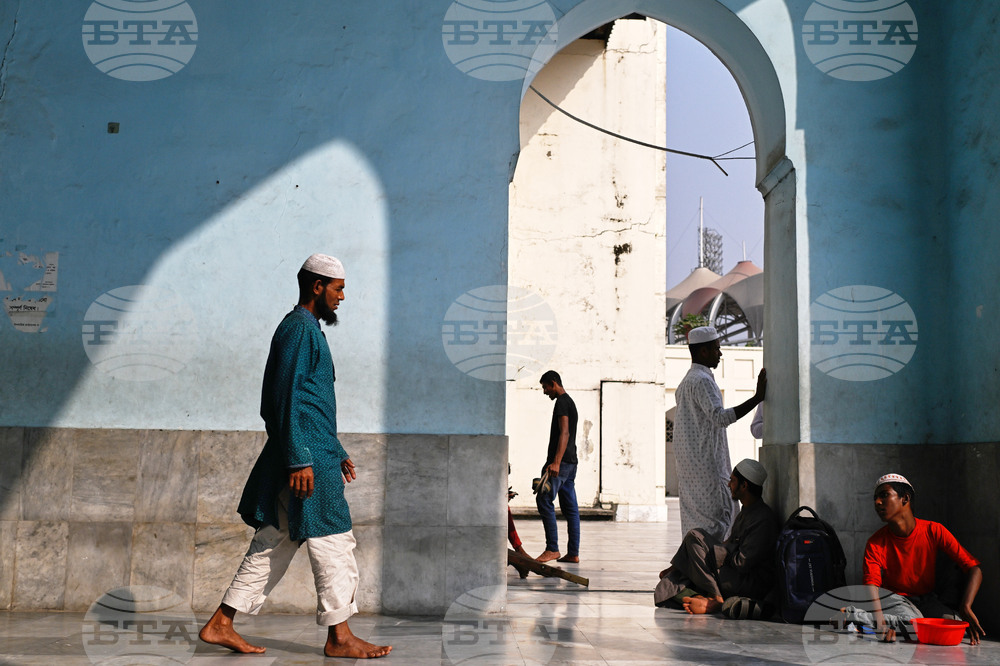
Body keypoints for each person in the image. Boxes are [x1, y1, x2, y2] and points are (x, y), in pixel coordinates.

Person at [199, 254, 391, 659]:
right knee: (334, 541)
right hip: (306, 462)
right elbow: (280, 400)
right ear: (317, 286)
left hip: (315, 454)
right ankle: (340, 637)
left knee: (274, 541)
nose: (343, 296)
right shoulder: (299, 330)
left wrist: (335, 450)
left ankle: (221, 623)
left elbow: (310, 405)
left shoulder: (309, 331)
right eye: (338, 288)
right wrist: (300, 459)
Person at [840, 473, 985, 645]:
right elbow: (871, 585)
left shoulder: (934, 530)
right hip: (893, 598)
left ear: (905, 498)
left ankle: (867, 622)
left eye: (884, 495)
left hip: (926, 599)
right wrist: (880, 624)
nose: (877, 502)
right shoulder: (876, 542)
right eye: (875, 498)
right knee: (914, 624)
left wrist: (965, 606)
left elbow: (974, 568)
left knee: (957, 625)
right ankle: (852, 615)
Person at [673, 326, 766, 541]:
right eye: (716, 349)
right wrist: (757, 398)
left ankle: (693, 566)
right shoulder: (702, 381)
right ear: (703, 351)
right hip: (709, 471)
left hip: (692, 472)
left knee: (696, 527)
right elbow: (720, 418)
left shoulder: (686, 382)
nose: (720, 354)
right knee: (719, 525)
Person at [654, 458, 779, 617]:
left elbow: (741, 563)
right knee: (669, 583)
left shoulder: (763, 519)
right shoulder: (746, 511)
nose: (729, 485)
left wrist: (719, 554)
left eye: (732, 481)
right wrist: (720, 551)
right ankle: (701, 598)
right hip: (732, 574)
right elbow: (731, 544)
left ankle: (717, 600)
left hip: (748, 583)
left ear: (744, 485)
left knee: (695, 538)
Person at [535, 370, 581, 564]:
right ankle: (573, 553)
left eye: (545, 387)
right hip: (571, 463)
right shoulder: (570, 402)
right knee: (571, 510)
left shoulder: (562, 402)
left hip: (561, 464)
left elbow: (564, 434)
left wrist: (555, 462)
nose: (545, 392)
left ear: (553, 383)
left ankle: (552, 548)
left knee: (544, 500)